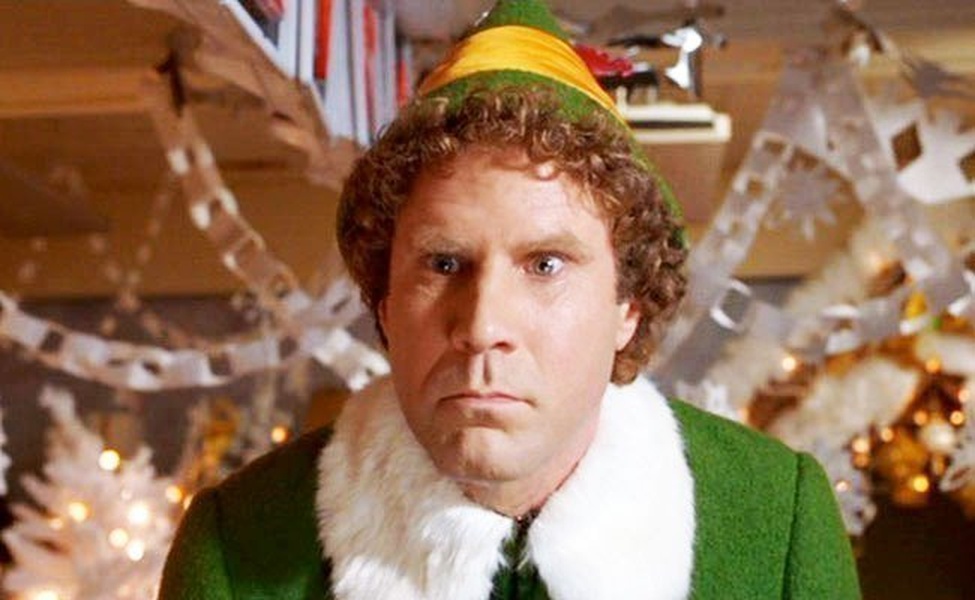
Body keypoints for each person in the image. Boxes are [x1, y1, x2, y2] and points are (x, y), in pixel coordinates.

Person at [158, 0, 860, 598]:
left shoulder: (778, 520)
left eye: (545, 264)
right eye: (443, 263)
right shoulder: (236, 545)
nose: (482, 325)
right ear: (384, 303)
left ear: (629, 306)